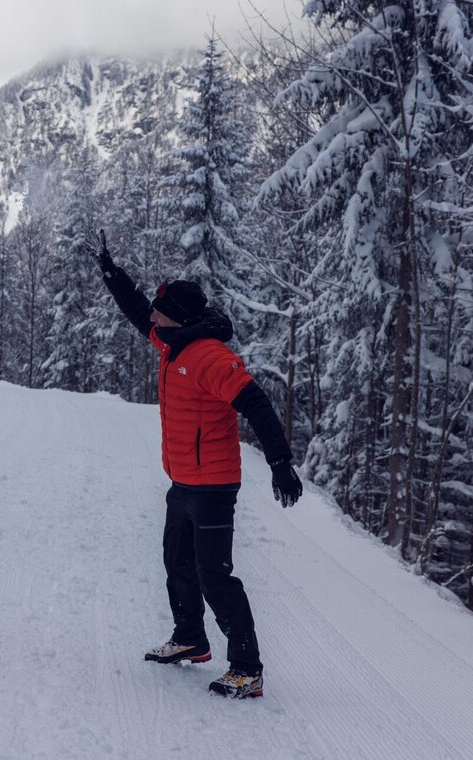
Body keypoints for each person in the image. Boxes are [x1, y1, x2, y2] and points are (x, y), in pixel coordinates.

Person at [93, 234, 303, 699]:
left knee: (215, 576)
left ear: (179, 317)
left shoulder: (209, 357)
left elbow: (257, 403)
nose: (152, 315)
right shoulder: (172, 341)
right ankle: (190, 637)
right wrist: (112, 274)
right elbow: (135, 309)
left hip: (213, 487)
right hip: (182, 481)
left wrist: (281, 462)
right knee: (177, 563)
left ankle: (248, 668)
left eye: (159, 310)